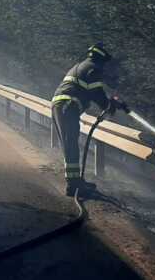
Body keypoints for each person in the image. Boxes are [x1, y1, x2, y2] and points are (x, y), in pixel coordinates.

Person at [51, 43, 127, 197]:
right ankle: (74, 185)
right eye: (105, 63)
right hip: (68, 106)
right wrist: (108, 105)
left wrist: (110, 102)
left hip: (63, 106)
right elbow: (96, 92)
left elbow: (92, 90)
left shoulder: (83, 66)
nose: (105, 67)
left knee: (69, 144)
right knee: (71, 144)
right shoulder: (93, 68)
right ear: (100, 59)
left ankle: (75, 182)